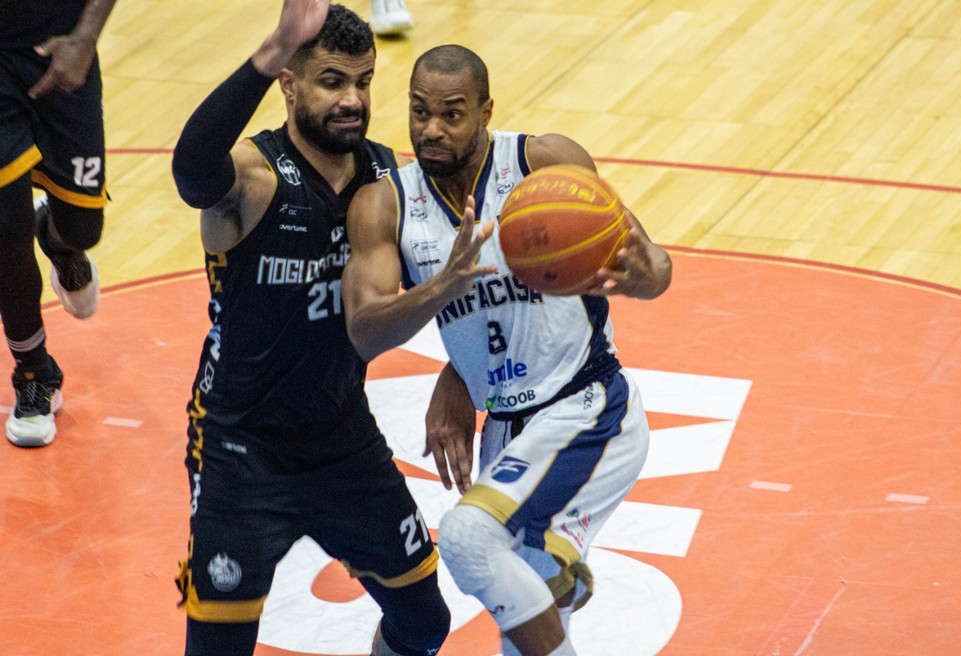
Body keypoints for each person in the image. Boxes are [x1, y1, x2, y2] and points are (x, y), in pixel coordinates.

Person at [341, 44, 672, 655]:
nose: (431, 130)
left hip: (587, 408)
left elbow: (652, 269)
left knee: (468, 537)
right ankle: (556, 576)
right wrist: (446, 290)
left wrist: (646, 273)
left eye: (452, 114)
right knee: (523, 622)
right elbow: (365, 331)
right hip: (506, 430)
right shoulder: (385, 203)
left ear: (486, 111)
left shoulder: (543, 163)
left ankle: (554, 574)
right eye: (418, 112)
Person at [170, 3, 450, 655]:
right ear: (290, 85)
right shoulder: (253, 177)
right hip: (242, 448)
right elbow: (190, 170)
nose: (352, 99)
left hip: (342, 440)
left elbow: (455, 283)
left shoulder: (388, 180)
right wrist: (273, 46)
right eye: (331, 81)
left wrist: (459, 380)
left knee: (425, 621)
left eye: (364, 81)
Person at [1, 0, 116, 447]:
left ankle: (61, 243)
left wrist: (85, 37)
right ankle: (34, 371)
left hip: (61, 44)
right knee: (6, 229)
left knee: (83, 227)